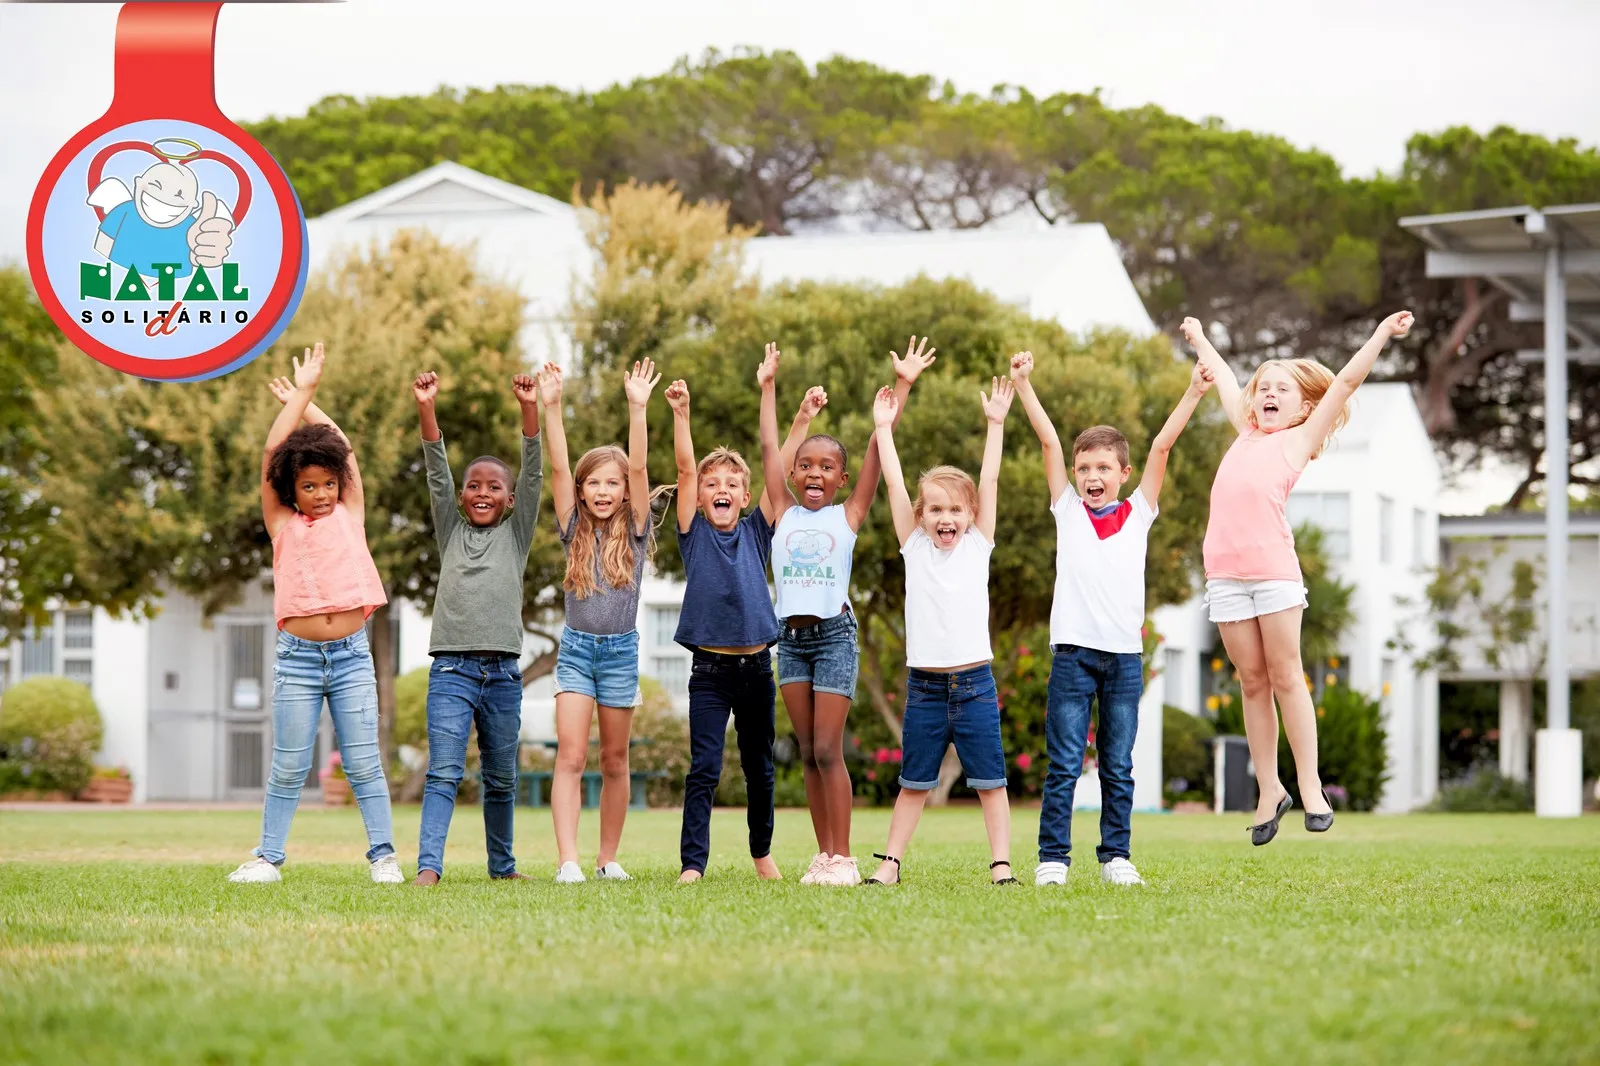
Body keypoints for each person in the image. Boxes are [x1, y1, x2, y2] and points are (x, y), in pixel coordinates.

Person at [1182, 310, 1414, 844]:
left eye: (1281, 388)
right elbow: (1225, 376)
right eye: (1263, 387)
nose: (1267, 393)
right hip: (1224, 576)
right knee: (1251, 682)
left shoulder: (1300, 439)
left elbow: (1347, 381)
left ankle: (1309, 783)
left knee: (1286, 675)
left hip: (1273, 575)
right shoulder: (1245, 429)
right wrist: (1199, 338)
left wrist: (1381, 333)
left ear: (1303, 406)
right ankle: (1270, 789)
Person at [1010, 349, 1213, 887]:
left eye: (1103, 468)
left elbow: (1163, 444)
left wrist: (1194, 391)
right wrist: (1024, 384)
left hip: (1123, 659)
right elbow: (1048, 442)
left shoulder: (1139, 512)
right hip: (1073, 655)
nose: (1091, 476)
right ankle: (1053, 860)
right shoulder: (1067, 510)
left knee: (1118, 765)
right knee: (1064, 764)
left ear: (1123, 473)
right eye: (1084, 469)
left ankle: (1116, 857)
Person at [763, 337, 936, 887]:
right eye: (805, 466)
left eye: (827, 467)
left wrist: (902, 386)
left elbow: (877, 450)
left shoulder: (848, 515)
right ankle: (824, 855)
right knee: (806, 754)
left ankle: (844, 857)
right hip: (790, 642)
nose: (814, 473)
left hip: (835, 637)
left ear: (840, 479)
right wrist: (768, 387)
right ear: (793, 474)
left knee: (826, 748)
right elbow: (768, 447)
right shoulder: (782, 513)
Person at [228, 344, 398, 884]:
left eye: (328, 483)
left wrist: (308, 401)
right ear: (291, 490)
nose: (322, 494)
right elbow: (270, 453)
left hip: (352, 657)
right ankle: (268, 858)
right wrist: (297, 397)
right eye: (309, 486)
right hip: (298, 661)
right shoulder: (282, 525)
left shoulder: (351, 513)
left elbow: (342, 449)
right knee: (288, 766)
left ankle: (384, 858)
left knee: (364, 764)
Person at [863, 377, 1018, 887]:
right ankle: (890, 864)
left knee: (991, 781)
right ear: (921, 516)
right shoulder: (914, 547)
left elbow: (990, 479)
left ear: (971, 515)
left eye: (955, 509)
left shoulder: (978, 545)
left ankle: (1001, 866)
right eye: (935, 510)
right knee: (913, 782)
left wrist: (996, 424)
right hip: (925, 689)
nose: (945, 518)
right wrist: (884, 429)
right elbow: (893, 484)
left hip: (975, 686)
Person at [410, 367, 543, 886]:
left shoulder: (516, 534)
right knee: (443, 771)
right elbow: (435, 472)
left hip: (504, 675)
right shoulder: (450, 530)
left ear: (510, 500)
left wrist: (528, 408)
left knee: (501, 778)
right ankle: (428, 868)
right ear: (462, 496)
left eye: (494, 487)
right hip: (452, 670)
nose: (482, 492)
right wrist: (427, 408)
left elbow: (533, 474)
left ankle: (502, 868)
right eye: (473, 486)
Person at [667, 343, 792, 884]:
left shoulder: (757, 531)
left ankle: (762, 854)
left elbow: (776, 464)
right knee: (704, 768)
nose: (721, 490)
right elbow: (684, 467)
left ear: (744, 497)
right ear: (699, 498)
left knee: (760, 769)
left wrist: (779, 398)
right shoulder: (693, 534)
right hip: (710, 674)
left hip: (757, 669)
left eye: (731, 485)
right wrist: (682, 414)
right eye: (712, 485)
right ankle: (693, 864)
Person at [540, 359, 663, 884]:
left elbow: (641, 468)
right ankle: (568, 860)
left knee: (615, 760)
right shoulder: (573, 527)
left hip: (619, 653)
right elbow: (558, 469)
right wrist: (551, 406)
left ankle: (607, 858)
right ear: (583, 489)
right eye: (594, 482)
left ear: (625, 490)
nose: (603, 490)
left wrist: (638, 408)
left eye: (613, 482)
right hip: (576, 651)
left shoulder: (635, 528)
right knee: (570, 756)